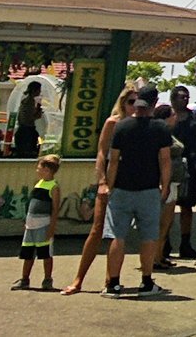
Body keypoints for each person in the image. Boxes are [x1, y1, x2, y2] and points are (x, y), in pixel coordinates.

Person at [61, 85, 137, 295]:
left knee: (118, 234)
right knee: (96, 230)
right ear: (122, 103)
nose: (134, 107)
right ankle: (78, 280)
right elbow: (102, 153)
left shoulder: (138, 125)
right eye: (130, 102)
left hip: (128, 183)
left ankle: (111, 279)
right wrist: (102, 180)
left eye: (137, 103)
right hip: (109, 183)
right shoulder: (113, 123)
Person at [102, 86, 173, 297]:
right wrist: (165, 185)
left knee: (117, 235)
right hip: (149, 188)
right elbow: (165, 160)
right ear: (154, 103)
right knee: (148, 236)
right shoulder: (160, 128)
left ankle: (113, 283)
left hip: (122, 188)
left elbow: (113, 160)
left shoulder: (122, 127)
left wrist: (110, 185)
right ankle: (146, 282)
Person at [166, 85, 196, 260]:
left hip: (190, 166)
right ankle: (164, 243)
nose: (185, 99)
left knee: (187, 206)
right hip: (168, 165)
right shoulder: (166, 116)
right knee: (166, 205)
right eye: (182, 97)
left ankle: (185, 243)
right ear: (173, 99)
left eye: (187, 97)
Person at [11, 154, 61, 291]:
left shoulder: (53, 187)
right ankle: (25, 279)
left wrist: (52, 227)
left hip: (43, 224)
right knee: (28, 252)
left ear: (47, 169)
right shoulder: (38, 183)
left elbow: (55, 208)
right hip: (31, 224)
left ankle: (47, 280)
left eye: (39, 167)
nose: (37, 170)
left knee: (46, 253)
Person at [152, 104, 185, 270]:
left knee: (167, 222)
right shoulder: (160, 134)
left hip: (173, 182)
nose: (175, 117)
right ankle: (155, 257)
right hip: (166, 182)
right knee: (162, 222)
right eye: (172, 115)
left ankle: (159, 255)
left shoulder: (169, 134)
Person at [14, 81, 43, 159]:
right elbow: (30, 117)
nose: (40, 92)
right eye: (39, 90)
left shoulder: (25, 100)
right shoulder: (30, 102)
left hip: (23, 128)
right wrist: (39, 110)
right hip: (27, 130)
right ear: (34, 90)